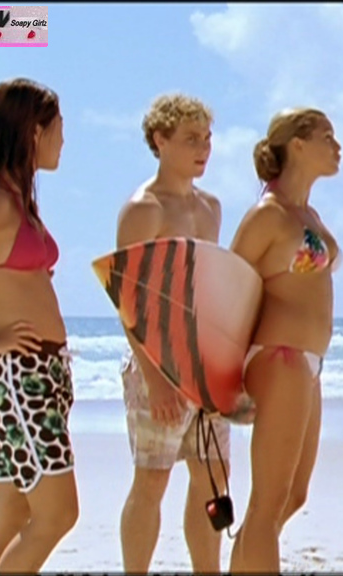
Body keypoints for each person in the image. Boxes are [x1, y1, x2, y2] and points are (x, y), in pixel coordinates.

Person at [116, 93, 230, 573]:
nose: (203, 149)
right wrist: (154, 376)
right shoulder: (144, 208)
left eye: (207, 138)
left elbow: (209, 288)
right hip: (156, 364)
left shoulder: (211, 207)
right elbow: (126, 298)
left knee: (213, 479)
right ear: (160, 141)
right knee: (152, 481)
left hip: (204, 364)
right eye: (190, 139)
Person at [228, 107, 342, 573]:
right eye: (327, 136)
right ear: (297, 144)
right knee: (268, 502)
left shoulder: (307, 213)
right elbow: (226, 291)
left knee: (294, 495)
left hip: (308, 363)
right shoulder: (267, 215)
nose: (337, 146)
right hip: (280, 357)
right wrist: (220, 380)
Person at [0, 77, 78, 573]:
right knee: (58, 514)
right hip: (19, 375)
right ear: (34, 131)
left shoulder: (13, 198)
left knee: (11, 515)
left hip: (39, 372)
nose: (64, 139)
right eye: (59, 127)